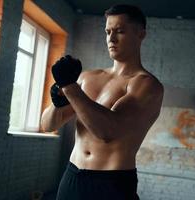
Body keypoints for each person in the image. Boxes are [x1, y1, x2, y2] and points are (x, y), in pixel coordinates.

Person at [41, 4, 164, 200]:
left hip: (111, 184)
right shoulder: (88, 77)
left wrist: (70, 88)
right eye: (108, 32)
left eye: (120, 31)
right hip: (72, 175)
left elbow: (107, 132)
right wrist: (57, 100)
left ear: (141, 34)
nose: (111, 39)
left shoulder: (147, 85)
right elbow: (48, 125)